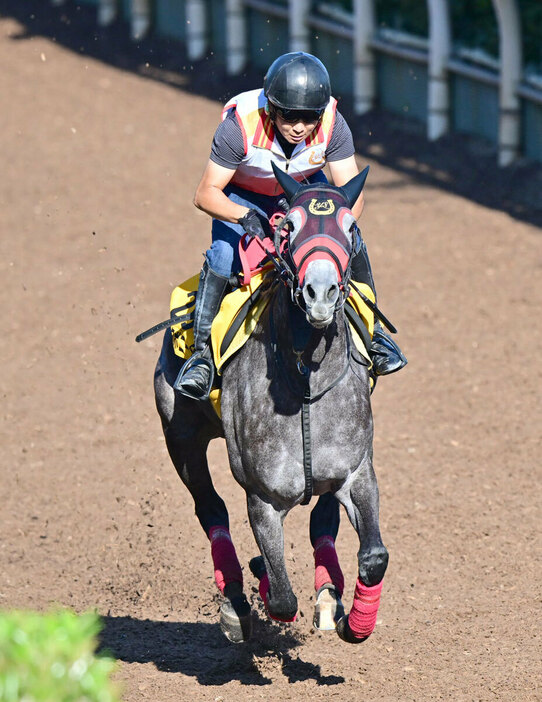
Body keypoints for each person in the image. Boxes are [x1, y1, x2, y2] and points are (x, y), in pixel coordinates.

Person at [176, 52, 406, 400]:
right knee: (223, 257)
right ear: (271, 108)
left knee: (352, 242)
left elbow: (351, 197)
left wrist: (332, 228)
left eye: (309, 117)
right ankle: (202, 356)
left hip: (302, 193)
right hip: (242, 194)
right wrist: (244, 217)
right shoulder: (239, 127)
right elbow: (204, 194)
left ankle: (373, 339)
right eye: (289, 116)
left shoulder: (333, 123)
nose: (299, 127)